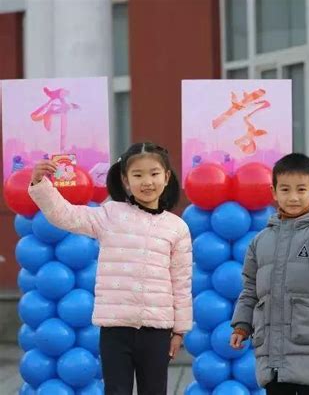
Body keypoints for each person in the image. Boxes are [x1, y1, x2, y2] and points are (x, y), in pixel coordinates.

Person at [28, 142, 192, 395]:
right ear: (126, 180)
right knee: (115, 391)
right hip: (115, 330)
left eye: (154, 173)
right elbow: (66, 215)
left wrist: (179, 330)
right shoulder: (109, 214)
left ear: (167, 177)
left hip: (158, 331)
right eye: (137, 175)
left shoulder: (177, 227)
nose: (147, 181)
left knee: (155, 390)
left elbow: (181, 281)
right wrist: (41, 184)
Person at [230, 153, 309, 395]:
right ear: (274, 192)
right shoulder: (261, 241)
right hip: (273, 352)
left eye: (301, 189)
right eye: (285, 189)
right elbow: (250, 289)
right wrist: (241, 326)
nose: (293, 197)